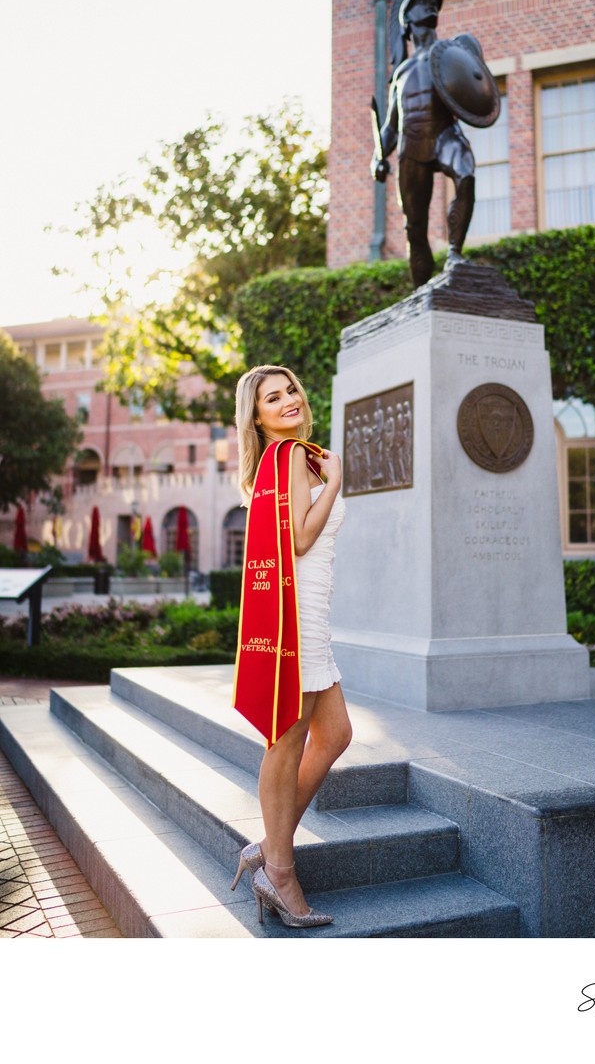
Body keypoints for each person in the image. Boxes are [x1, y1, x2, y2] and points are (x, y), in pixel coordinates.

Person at [230, 364, 352, 928]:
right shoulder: (291, 458)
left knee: (336, 734)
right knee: (289, 739)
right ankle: (280, 870)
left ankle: (268, 847)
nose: (286, 402)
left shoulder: (289, 459)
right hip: (296, 617)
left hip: (311, 613)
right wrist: (340, 481)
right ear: (256, 417)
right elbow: (302, 538)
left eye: (291, 391)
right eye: (271, 399)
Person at [371, 0, 476, 288]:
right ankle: (420, 290)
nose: (431, 5)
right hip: (411, 146)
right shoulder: (401, 74)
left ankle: (455, 253)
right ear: (408, 20)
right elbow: (391, 127)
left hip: (445, 134)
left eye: (434, 2)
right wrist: (377, 158)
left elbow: (474, 90)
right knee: (414, 227)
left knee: (466, 175)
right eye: (423, 2)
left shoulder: (451, 52)